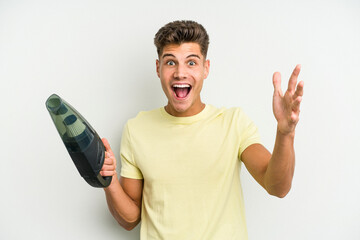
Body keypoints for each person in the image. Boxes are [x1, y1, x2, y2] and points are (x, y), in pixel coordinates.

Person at [100, 20, 304, 239]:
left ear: (205, 68)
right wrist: (108, 180)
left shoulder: (233, 123)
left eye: (191, 62)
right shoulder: (136, 129)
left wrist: (285, 133)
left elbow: (277, 187)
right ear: (158, 68)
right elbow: (130, 220)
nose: (180, 73)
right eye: (170, 63)